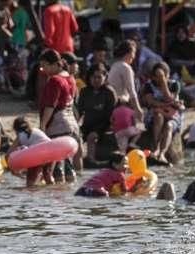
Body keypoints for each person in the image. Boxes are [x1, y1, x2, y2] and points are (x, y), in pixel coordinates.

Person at [38, 49, 79, 183]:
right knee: (68, 163)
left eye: (44, 65)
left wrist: (43, 125)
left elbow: (51, 105)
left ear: (55, 64)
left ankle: (57, 197)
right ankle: (69, 193)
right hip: (71, 124)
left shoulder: (55, 80)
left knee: (56, 166)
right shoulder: (70, 78)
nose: (42, 69)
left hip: (58, 125)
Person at [141, 62, 183, 165]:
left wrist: (163, 82)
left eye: (162, 76)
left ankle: (162, 153)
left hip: (172, 115)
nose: (158, 79)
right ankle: (156, 148)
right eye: (157, 76)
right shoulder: (148, 86)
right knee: (158, 116)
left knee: (169, 125)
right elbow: (150, 101)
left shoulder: (174, 84)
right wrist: (164, 106)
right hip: (155, 114)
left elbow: (169, 98)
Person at [77, 63, 116, 165]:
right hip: (87, 124)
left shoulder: (109, 92)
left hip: (103, 124)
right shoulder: (84, 91)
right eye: (93, 77)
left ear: (105, 77)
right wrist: (76, 124)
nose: (96, 80)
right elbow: (79, 110)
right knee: (76, 136)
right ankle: (78, 161)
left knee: (92, 136)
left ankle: (91, 160)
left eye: (99, 77)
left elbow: (111, 114)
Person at [8, 116, 51, 187]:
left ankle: (32, 196)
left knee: (30, 184)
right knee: (48, 177)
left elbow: (8, 154)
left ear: (16, 129)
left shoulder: (20, 136)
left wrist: (12, 169)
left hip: (38, 156)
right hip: (51, 152)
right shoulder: (37, 130)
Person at [107, 40, 143, 124]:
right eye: (134, 52)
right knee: (142, 120)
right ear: (129, 53)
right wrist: (138, 109)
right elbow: (132, 91)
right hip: (121, 104)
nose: (134, 56)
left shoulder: (115, 65)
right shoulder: (126, 67)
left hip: (112, 104)